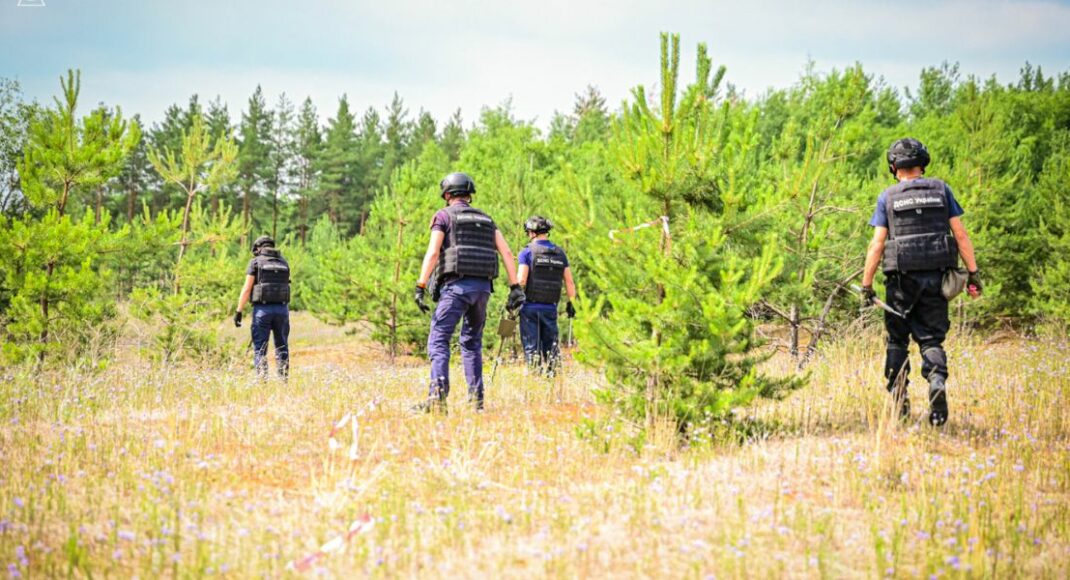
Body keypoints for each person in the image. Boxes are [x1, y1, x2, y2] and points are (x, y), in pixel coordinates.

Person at [861, 138, 982, 426]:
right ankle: (937, 381)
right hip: (937, 279)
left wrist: (867, 286)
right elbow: (961, 235)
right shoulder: (942, 190)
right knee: (931, 340)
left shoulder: (887, 197)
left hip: (901, 284)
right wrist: (973, 274)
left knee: (897, 341)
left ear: (894, 167)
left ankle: (900, 404)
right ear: (922, 164)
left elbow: (877, 245)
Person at [412, 172, 525, 412]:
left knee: (439, 339)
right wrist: (515, 287)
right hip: (483, 290)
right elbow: (506, 252)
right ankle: (477, 403)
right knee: (472, 343)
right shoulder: (487, 219)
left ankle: (437, 400)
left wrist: (420, 285)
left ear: (446, 194)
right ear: (469, 194)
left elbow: (433, 253)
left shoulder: (443, 216)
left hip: (456, 288)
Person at [516, 215, 577, 374]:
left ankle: (536, 380)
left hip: (529, 308)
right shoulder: (560, 253)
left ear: (531, 232)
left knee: (532, 348)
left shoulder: (527, 252)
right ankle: (555, 380)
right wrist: (572, 303)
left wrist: (513, 299)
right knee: (552, 349)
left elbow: (522, 280)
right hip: (550, 308)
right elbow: (569, 282)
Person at [234, 235, 291, 380]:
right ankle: (283, 380)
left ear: (258, 248)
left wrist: (239, 311)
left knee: (260, 348)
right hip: (282, 310)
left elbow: (247, 289)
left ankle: (261, 381)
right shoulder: (284, 262)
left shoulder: (255, 262)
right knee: (282, 347)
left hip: (262, 310)